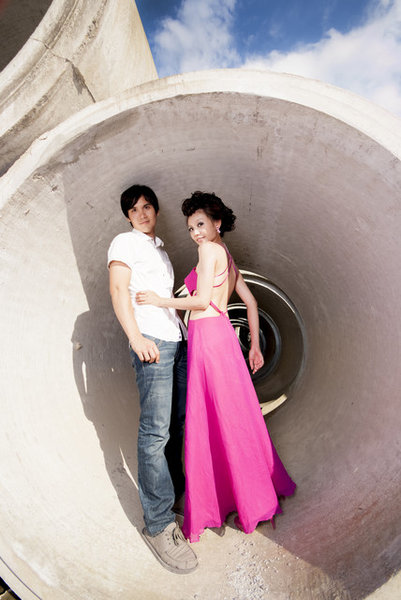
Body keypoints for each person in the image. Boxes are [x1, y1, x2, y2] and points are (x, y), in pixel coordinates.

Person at [136, 191, 296, 543]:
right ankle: (246, 494)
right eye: (191, 228)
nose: (195, 233)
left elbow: (203, 300)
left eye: (200, 224)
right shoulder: (228, 256)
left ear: (217, 223)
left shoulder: (209, 251)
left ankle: (229, 499)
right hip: (222, 337)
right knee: (233, 418)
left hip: (209, 338)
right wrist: (255, 346)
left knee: (212, 421)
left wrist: (160, 300)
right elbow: (250, 302)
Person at [107, 184, 198, 573]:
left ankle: (174, 496)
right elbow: (118, 291)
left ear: (156, 210)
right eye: (134, 209)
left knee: (177, 425)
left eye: (147, 206)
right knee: (155, 433)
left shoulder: (160, 250)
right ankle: (158, 524)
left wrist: (184, 332)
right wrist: (136, 338)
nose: (142, 213)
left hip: (175, 341)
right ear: (127, 216)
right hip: (152, 345)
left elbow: (163, 297)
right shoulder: (124, 243)